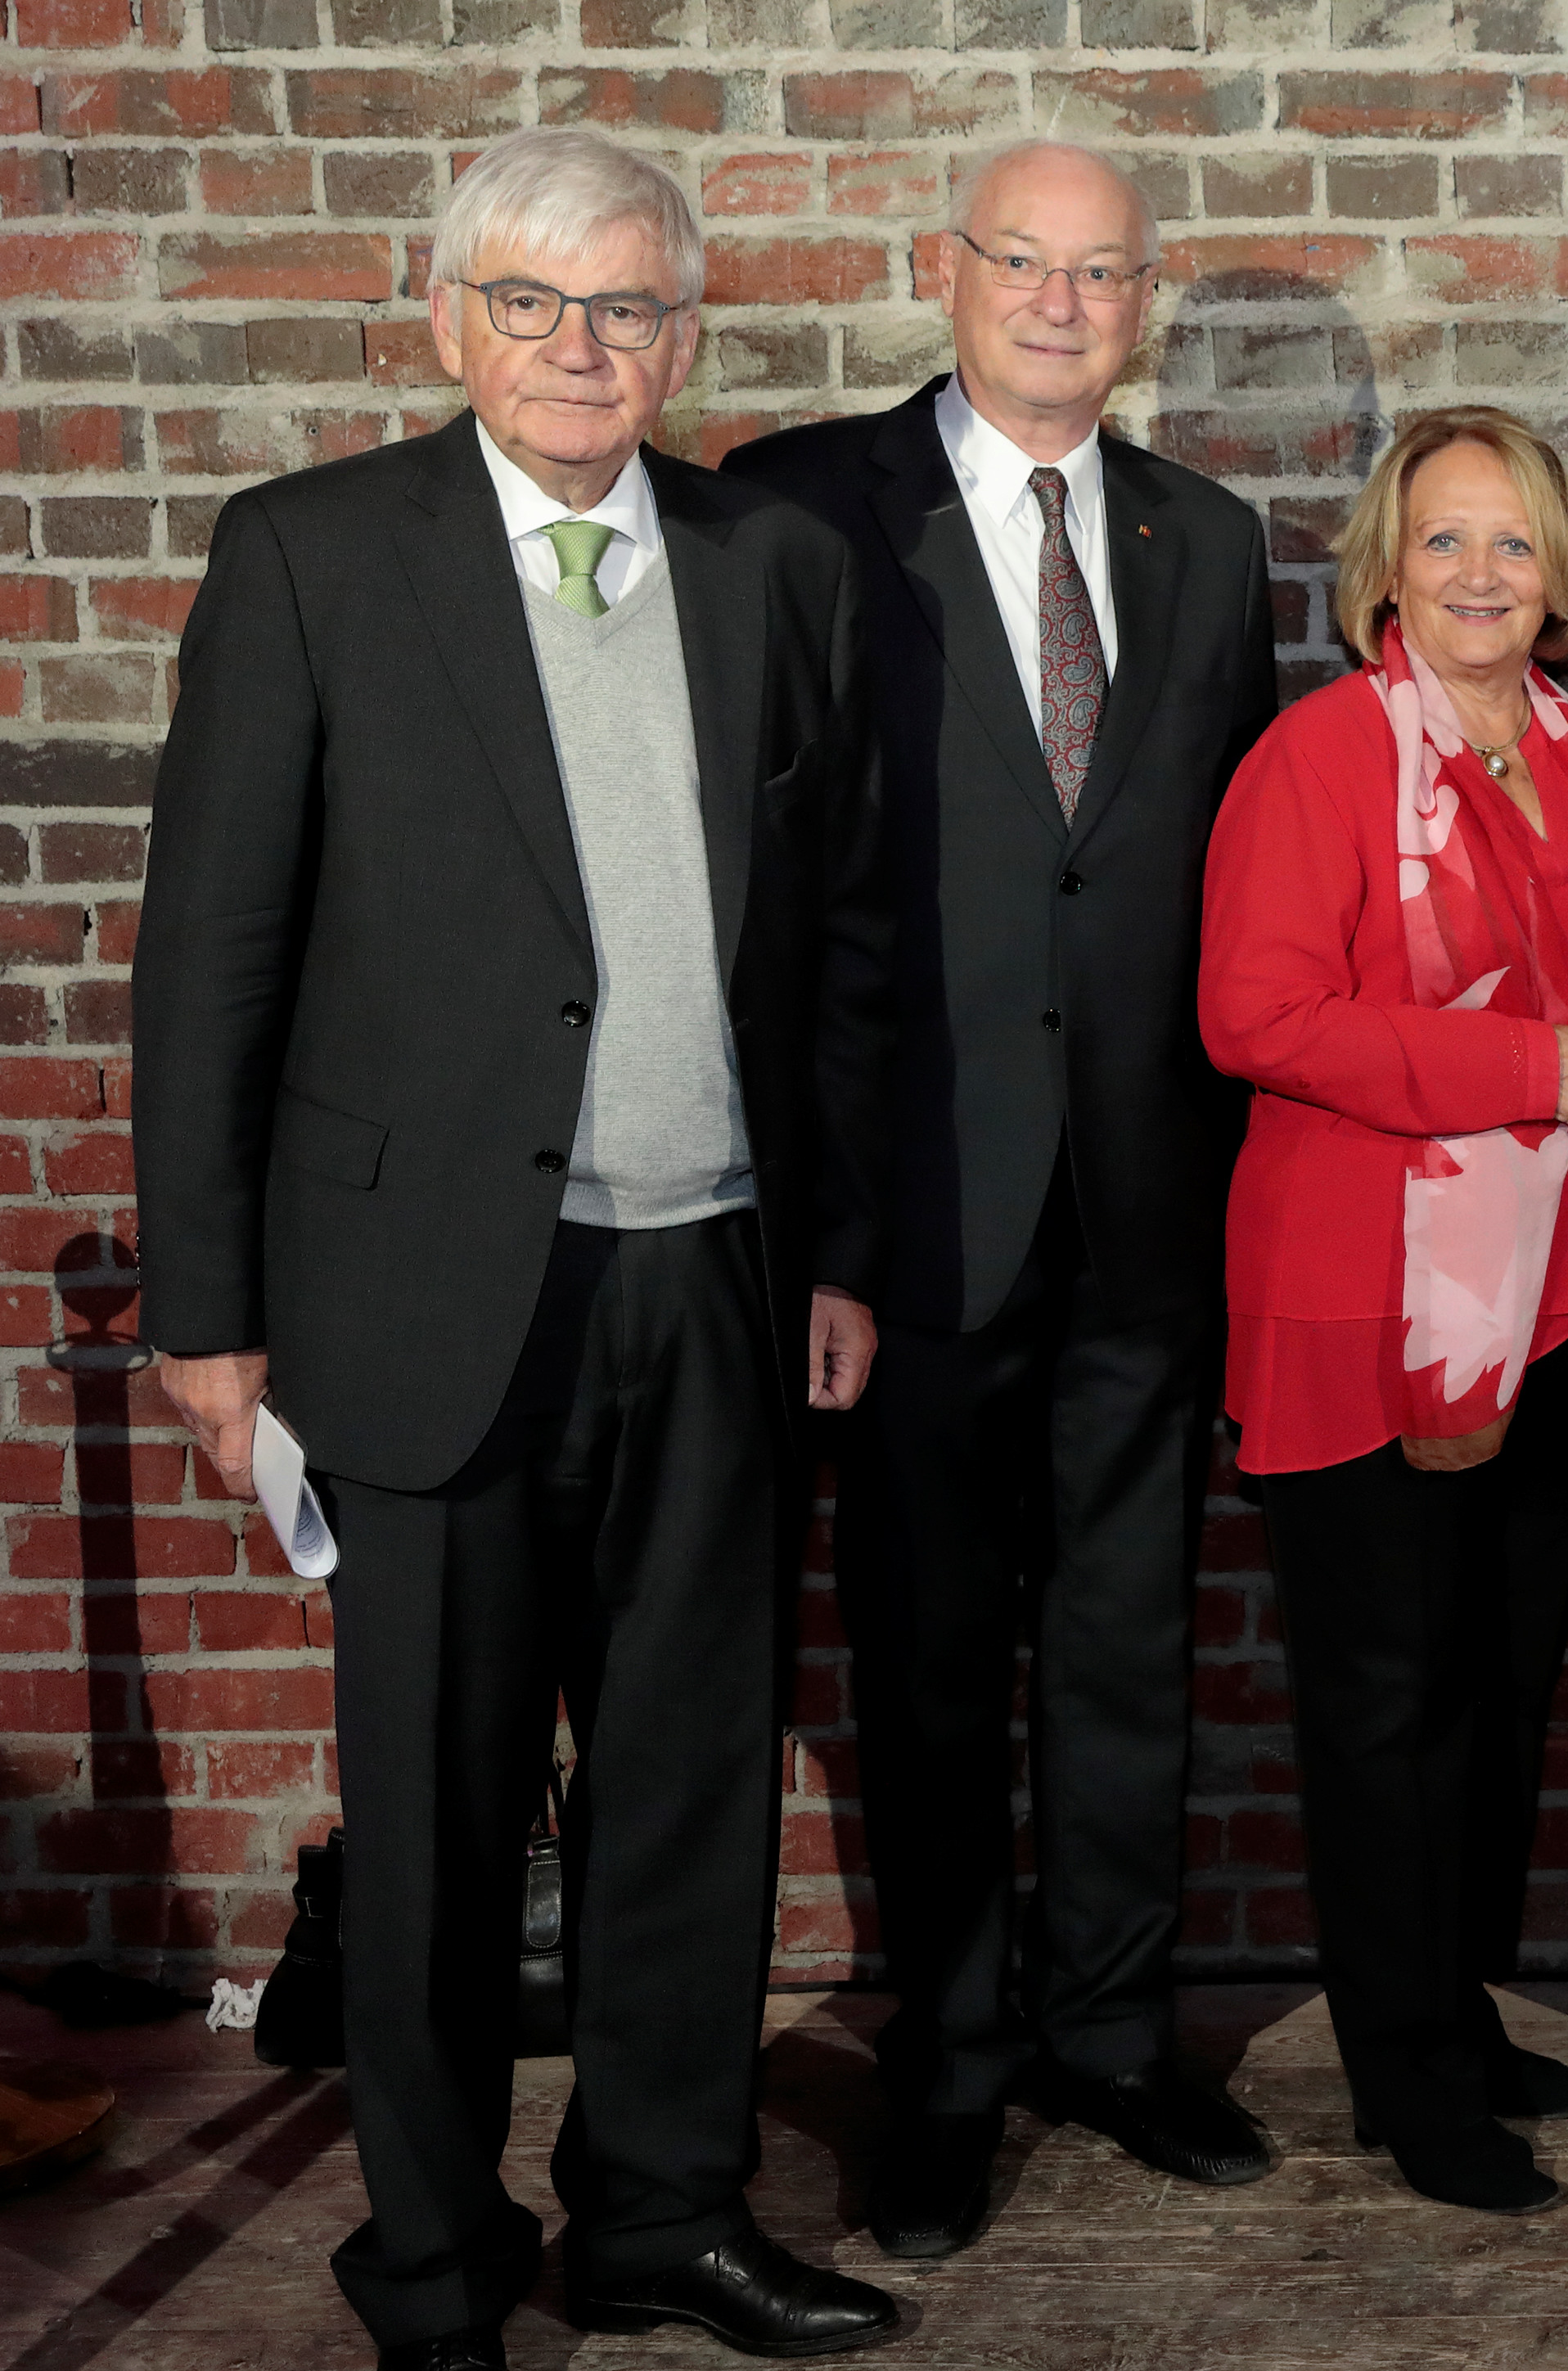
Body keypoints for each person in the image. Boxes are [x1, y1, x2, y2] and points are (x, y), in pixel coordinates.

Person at [133, 127, 899, 2368]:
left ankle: (663, 2211)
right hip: (422, 1295)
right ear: (449, 314)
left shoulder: (776, 564)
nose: (584, 347)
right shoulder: (310, 555)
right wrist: (211, 1315)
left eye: (629, 306)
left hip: (717, 1278)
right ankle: (434, 2257)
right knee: (444, 1812)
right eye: (536, 303)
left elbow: (845, 950)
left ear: (686, 333)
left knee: (692, 1793)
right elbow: (211, 956)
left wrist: (838, 1249)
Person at [724, 137, 1283, 2257]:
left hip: (1148, 1212)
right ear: (943, 273)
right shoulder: (798, 506)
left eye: (1101, 272)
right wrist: (825, 1237)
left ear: (1144, 302)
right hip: (914, 1220)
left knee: (1134, 1653)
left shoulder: (1207, 542)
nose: (1061, 302)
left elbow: (1225, 898)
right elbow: (776, 897)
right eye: (1022, 263)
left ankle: (1112, 2039)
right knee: (932, 1667)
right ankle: (948, 2072)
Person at [1200, 406, 1568, 2217]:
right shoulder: (1321, 757)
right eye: (1444, 539)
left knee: (1499, 1684)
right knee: (1388, 1701)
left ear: (1560, 575)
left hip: (1558, 1305)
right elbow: (1254, 1016)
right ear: (1386, 572)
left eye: (1514, 541)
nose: (1482, 573)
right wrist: (1521, 1067)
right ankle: (1404, 2078)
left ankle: (1459, 2020)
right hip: (1373, 1303)